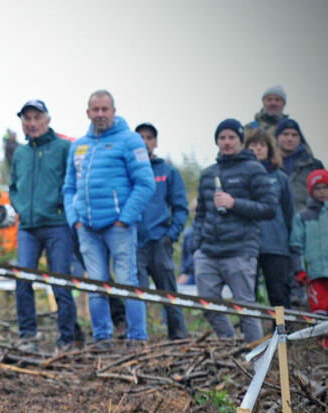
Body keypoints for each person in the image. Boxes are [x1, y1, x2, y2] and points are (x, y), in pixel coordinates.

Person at [62, 90, 155, 346]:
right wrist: (75, 220)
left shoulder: (130, 141)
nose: (100, 114)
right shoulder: (79, 145)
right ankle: (102, 339)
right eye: (96, 109)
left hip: (119, 226)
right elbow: (68, 187)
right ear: (88, 113)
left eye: (105, 109)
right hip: (86, 227)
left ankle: (137, 338)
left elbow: (146, 183)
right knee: (95, 285)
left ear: (114, 111)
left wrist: (125, 218)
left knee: (127, 282)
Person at [193, 119, 278, 342]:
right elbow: (200, 213)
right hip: (208, 252)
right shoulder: (208, 174)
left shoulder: (254, 169)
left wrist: (234, 203)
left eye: (232, 137)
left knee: (246, 308)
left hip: (240, 251)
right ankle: (230, 345)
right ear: (217, 141)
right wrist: (197, 246)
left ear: (240, 141)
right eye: (222, 138)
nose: (227, 142)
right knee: (207, 304)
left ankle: (256, 355)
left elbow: (270, 208)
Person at [9, 99, 79, 351]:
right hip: (27, 227)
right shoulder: (20, 153)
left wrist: (61, 206)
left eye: (37, 118)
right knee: (23, 280)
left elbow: (73, 182)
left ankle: (68, 338)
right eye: (27, 119)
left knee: (60, 281)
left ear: (47, 120)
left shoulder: (63, 148)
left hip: (57, 225)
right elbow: (14, 186)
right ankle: (28, 335)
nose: (32, 123)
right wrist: (20, 207)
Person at [133, 122, 189, 339]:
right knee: (136, 294)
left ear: (155, 142)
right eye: (140, 138)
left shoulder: (167, 172)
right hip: (133, 242)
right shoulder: (128, 170)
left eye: (149, 138)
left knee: (169, 294)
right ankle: (138, 338)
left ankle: (179, 338)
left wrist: (170, 236)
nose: (145, 142)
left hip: (159, 241)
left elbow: (181, 208)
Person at [244, 127, 295, 311]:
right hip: (247, 244)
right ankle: (251, 329)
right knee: (247, 294)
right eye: (253, 145)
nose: (258, 149)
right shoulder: (241, 176)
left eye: (262, 145)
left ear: (270, 149)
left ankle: (280, 328)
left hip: (276, 245)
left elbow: (289, 212)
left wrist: (289, 242)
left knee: (279, 295)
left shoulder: (280, 178)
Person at [291, 169, 328, 330]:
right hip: (315, 275)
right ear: (311, 191)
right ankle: (323, 343)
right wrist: (300, 270)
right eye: (317, 188)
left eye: (325, 187)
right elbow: (296, 245)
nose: (322, 192)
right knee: (319, 316)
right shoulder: (303, 217)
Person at [276, 119, 324, 215]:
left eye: (294, 135)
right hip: (275, 221)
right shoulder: (267, 165)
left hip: (305, 220)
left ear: (300, 138)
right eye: (285, 134)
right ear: (277, 137)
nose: (290, 138)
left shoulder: (314, 166)